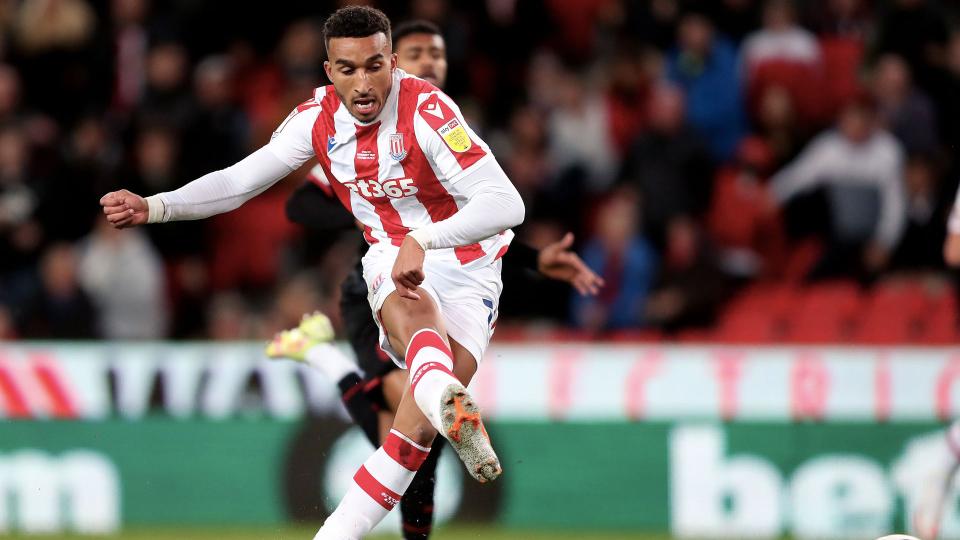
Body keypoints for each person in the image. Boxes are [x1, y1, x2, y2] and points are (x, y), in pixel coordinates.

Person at [100, 6, 525, 539]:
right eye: (349, 70)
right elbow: (239, 181)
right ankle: (442, 397)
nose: (364, 84)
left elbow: (507, 203)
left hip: (469, 262)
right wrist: (156, 206)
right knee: (406, 294)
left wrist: (426, 237)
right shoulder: (316, 120)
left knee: (410, 440)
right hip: (394, 256)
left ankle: (438, 402)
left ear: (393, 62)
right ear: (329, 71)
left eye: (375, 66)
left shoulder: (428, 111)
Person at [270, 20, 602, 540]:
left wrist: (534, 260)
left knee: (414, 443)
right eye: (417, 53)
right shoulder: (347, 128)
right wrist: (380, 207)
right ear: (392, 62)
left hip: (450, 274)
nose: (429, 63)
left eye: (437, 54)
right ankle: (329, 357)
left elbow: (479, 220)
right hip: (381, 284)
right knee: (411, 411)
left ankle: (319, 356)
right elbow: (302, 202)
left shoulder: (444, 124)